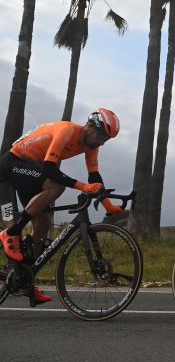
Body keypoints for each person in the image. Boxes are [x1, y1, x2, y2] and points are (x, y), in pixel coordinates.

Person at [0, 108, 123, 304]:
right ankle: (11, 232)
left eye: (105, 140)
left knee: (43, 223)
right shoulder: (67, 131)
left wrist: (108, 205)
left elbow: (94, 177)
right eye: (100, 136)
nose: (101, 142)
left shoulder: (91, 145)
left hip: (32, 168)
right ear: (89, 126)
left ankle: (26, 281)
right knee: (56, 187)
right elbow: (50, 169)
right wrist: (83, 186)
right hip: (13, 162)